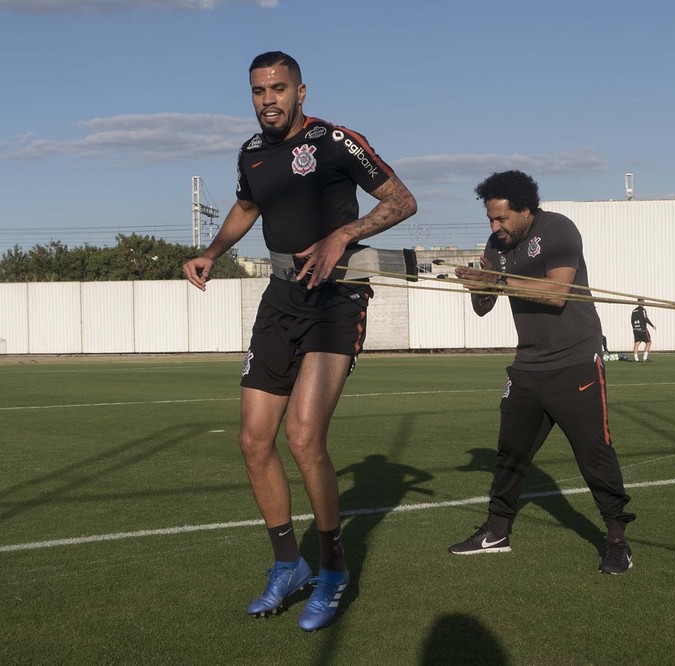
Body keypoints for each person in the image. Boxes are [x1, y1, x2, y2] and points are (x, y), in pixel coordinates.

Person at [182, 51, 416, 631]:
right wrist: (212, 252)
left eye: (278, 88)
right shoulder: (252, 153)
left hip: (337, 299)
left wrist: (344, 233)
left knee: (304, 436)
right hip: (281, 300)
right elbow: (246, 206)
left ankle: (333, 570)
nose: (268, 100)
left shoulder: (337, 141)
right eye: (259, 91)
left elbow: (401, 200)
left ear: (301, 91)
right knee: (253, 440)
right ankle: (287, 563)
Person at [450, 170, 636, 575]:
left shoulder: (558, 230)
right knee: (511, 454)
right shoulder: (496, 246)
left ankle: (617, 540)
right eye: (490, 220)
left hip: (575, 361)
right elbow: (484, 307)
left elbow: (556, 294)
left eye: (502, 219)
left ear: (526, 210)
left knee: (594, 454)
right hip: (528, 365)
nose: (495, 228)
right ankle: (496, 532)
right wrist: (478, 286)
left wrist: (498, 279)